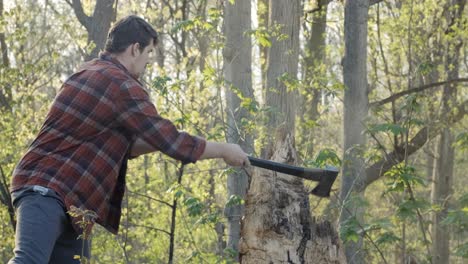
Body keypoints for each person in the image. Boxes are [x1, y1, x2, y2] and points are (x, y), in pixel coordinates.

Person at [8, 15, 249, 264]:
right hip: (45, 189)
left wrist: (160, 140)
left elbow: (129, 144)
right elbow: (172, 141)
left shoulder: (89, 71)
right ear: (135, 49)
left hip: (71, 204)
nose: (147, 63)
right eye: (148, 54)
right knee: (28, 261)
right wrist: (223, 149)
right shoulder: (120, 84)